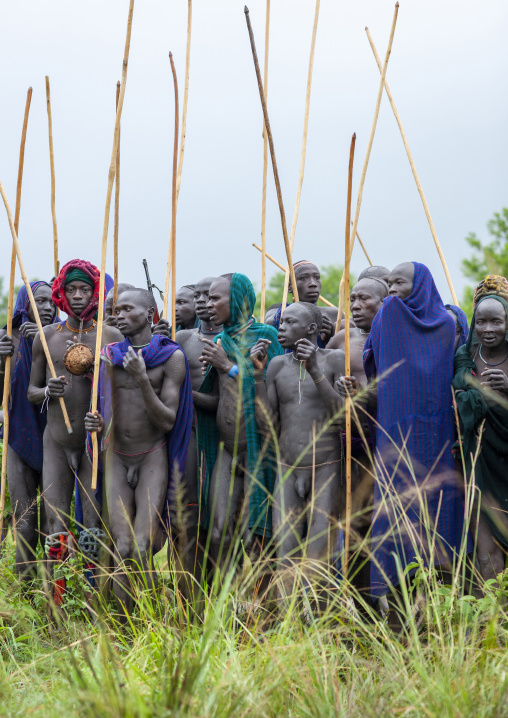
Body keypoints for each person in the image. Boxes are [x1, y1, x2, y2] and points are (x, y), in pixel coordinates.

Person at [363, 261, 470, 612]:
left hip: (437, 435)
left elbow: (371, 362)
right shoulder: (397, 316)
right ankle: (399, 600)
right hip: (397, 435)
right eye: (389, 282)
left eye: (400, 283)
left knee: (434, 506)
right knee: (401, 507)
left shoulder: (445, 324)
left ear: (421, 285)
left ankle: (436, 602)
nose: (391, 291)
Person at [85, 288, 193, 616]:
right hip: (116, 457)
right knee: (121, 546)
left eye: (126, 309)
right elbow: (105, 405)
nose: (117, 315)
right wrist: (95, 422)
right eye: (115, 309)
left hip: (151, 456)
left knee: (143, 548)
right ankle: (122, 628)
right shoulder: (108, 354)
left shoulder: (171, 357)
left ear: (150, 315)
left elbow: (167, 419)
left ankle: (148, 623)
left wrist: (142, 378)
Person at [28, 260, 123, 598]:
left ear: (95, 293)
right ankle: (57, 605)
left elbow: (123, 392)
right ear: (61, 293)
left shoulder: (110, 336)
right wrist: (48, 391)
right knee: (56, 526)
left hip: (92, 444)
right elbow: (31, 390)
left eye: (85, 289)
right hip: (55, 440)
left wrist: (104, 420)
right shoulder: (47, 337)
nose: (79, 296)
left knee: (93, 528)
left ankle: (92, 600)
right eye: (71, 290)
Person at [251, 302, 345, 609]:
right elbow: (268, 426)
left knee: (319, 553)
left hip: (326, 468)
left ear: (312, 331)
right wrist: (257, 377)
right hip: (287, 468)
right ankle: (289, 628)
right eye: (282, 321)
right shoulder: (276, 365)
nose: (281, 327)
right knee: (286, 551)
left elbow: (341, 417)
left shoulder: (334, 361)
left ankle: (321, 626)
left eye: (290, 322)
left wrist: (315, 369)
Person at [197, 273, 282, 575]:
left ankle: (264, 611)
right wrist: (186, 395)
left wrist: (227, 366)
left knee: (255, 537)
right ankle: (226, 612)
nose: (208, 304)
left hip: (257, 448)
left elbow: (273, 390)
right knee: (219, 533)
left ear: (238, 301)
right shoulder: (220, 340)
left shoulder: (266, 336)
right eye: (207, 298)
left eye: (215, 298)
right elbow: (217, 400)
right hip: (227, 450)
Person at [331, 276, 388, 602]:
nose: (355, 306)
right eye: (352, 299)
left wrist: (364, 395)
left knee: (386, 526)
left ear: (383, 303)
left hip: (386, 445)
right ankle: (361, 609)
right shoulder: (341, 340)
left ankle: (399, 608)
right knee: (353, 528)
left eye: (364, 299)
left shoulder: (394, 338)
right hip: (349, 446)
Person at [0, 282, 57, 580]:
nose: (47, 307)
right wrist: (1, 360)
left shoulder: (61, 336)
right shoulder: (7, 338)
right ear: (24, 304)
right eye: (39, 301)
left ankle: (52, 592)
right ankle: (25, 592)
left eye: (51, 301)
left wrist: (46, 348)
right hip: (19, 435)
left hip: (54, 439)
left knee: (51, 523)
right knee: (24, 522)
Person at [453, 275, 508, 582]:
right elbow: (460, 402)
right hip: (479, 462)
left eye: (497, 322)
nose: (489, 330)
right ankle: (490, 627)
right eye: (482, 322)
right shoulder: (466, 355)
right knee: (487, 555)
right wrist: (478, 393)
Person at [170, 276, 221, 601]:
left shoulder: (233, 340)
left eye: (208, 296)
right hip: (188, 433)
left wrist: (185, 394)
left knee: (218, 522)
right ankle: (188, 595)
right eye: (197, 296)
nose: (202, 302)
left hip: (222, 436)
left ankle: (216, 593)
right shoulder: (183, 338)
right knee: (186, 517)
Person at [266, 261, 338, 346]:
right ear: (290, 286)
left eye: (317, 278)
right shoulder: (276, 321)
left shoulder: (334, 315)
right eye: (304, 278)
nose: (313, 283)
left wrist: (332, 336)